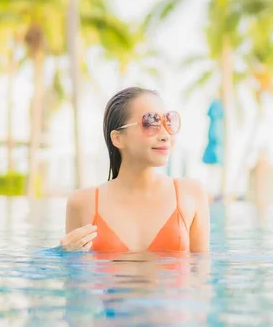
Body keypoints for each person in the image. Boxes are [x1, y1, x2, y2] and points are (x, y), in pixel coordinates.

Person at [60, 87, 210, 253]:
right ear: (118, 138)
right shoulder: (82, 202)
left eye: (169, 121)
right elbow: (74, 275)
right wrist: (65, 254)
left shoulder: (191, 193)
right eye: (151, 122)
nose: (165, 135)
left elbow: (201, 272)